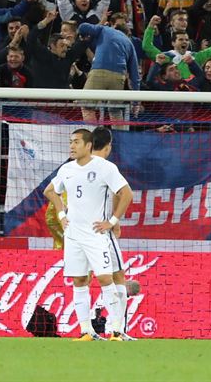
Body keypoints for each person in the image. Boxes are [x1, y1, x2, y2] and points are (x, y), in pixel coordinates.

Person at [43, 129, 133, 341]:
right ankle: (86, 331)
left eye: (76, 142)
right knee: (79, 280)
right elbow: (50, 191)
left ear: (88, 145)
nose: (72, 146)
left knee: (104, 278)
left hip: (95, 234)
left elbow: (126, 193)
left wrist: (111, 222)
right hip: (73, 234)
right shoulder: (66, 169)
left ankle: (117, 330)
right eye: (70, 142)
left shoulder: (105, 167)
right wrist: (61, 212)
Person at [90, 126, 136, 341]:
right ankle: (117, 329)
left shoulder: (75, 166)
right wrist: (114, 221)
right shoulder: (108, 167)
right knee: (117, 277)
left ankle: (86, 330)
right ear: (108, 147)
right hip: (101, 231)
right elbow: (124, 193)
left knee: (81, 280)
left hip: (79, 232)